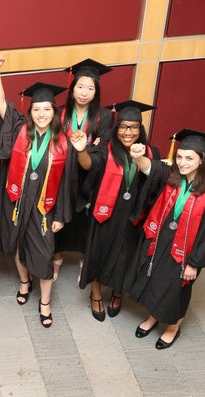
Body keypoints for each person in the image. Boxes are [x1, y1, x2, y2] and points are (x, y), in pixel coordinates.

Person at [0, 54, 77, 328]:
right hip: (16, 202)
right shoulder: (20, 130)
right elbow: (0, 103)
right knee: (17, 247)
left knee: (43, 253)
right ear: (31, 112)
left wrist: (61, 216)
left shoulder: (64, 144)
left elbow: (68, 183)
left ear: (54, 113)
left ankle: (45, 302)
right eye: (37, 109)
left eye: (47, 110)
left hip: (44, 209)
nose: (41, 114)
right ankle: (25, 283)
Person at [129, 129, 205, 349]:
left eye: (189, 158)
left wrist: (194, 263)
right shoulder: (173, 178)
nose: (182, 163)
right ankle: (153, 316)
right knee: (155, 277)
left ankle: (173, 326)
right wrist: (138, 157)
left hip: (188, 248)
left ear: (202, 160)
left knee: (176, 288)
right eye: (179, 157)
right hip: (163, 238)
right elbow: (151, 169)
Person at [71, 100, 161, 321]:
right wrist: (82, 151)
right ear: (116, 127)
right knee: (98, 253)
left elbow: (158, 182)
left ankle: (118, 294)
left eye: (133, 127)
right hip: (106, 213)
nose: (127, 132)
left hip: (133, 216)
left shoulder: (151, 152)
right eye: (123, 126)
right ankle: (96, 293)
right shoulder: (107, 148)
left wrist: (142, 160)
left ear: (141, 129)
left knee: (125, 257)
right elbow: (89, 164)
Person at [54, 59, 113, 280]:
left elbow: (103, 150)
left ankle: (83, 259)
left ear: (96, 91)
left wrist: (87, 150)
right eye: (80, 86)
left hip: (90, 176)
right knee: (60, 216)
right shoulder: (60, 113)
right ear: (72, 88)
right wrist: (91, 145)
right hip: (62, 175)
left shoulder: (104, 116)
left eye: (90, 88)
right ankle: (57, 257)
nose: (84, 93)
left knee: (85, 221)